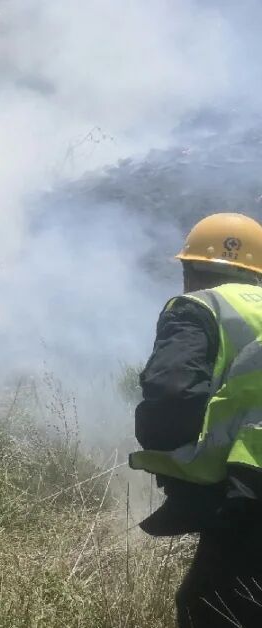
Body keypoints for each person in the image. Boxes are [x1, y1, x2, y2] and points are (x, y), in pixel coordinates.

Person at [131, 212, 262, 628]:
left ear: (191, 270)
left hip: (248, 485)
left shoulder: (198, 307)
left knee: (212, 608)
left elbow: (172, 395)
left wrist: (185, 461)